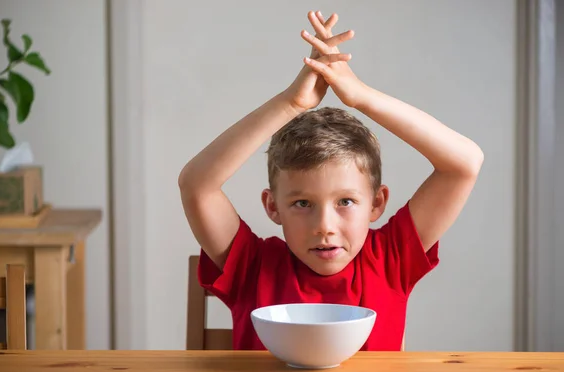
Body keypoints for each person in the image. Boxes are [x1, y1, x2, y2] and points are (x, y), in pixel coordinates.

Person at [178, 10, 484, 351]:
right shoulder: (253, 266)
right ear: (272, 205)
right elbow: (196, 185)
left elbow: (465, 163)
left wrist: (362, 96)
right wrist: (290, 103)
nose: (324, 226)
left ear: (377, 203)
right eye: (302, 203)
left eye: (346, 201)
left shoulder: (390, 260)